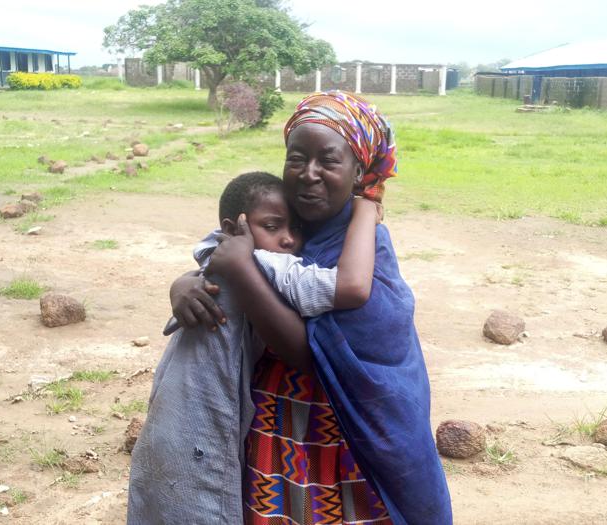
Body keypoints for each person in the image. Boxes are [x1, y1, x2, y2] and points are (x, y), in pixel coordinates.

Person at [178, 91, 453, 524]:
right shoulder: (286, 222)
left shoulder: (365, 246)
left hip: (348, 436)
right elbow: (224, 253)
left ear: (358, 170)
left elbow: (308, 353)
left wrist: (242, 273)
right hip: (275, 425)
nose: (309, 174)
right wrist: (185, 283)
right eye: (296, 158)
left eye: (328, 160)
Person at [128, 171, 381, 524]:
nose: (288, 239)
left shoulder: (218, 251)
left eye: (296, 228)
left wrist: (182, 282)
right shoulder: (262, 263)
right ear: (234, 229)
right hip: (201, 436)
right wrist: (366, 211)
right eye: (273, 226)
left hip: (168, 421)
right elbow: (350, 287)